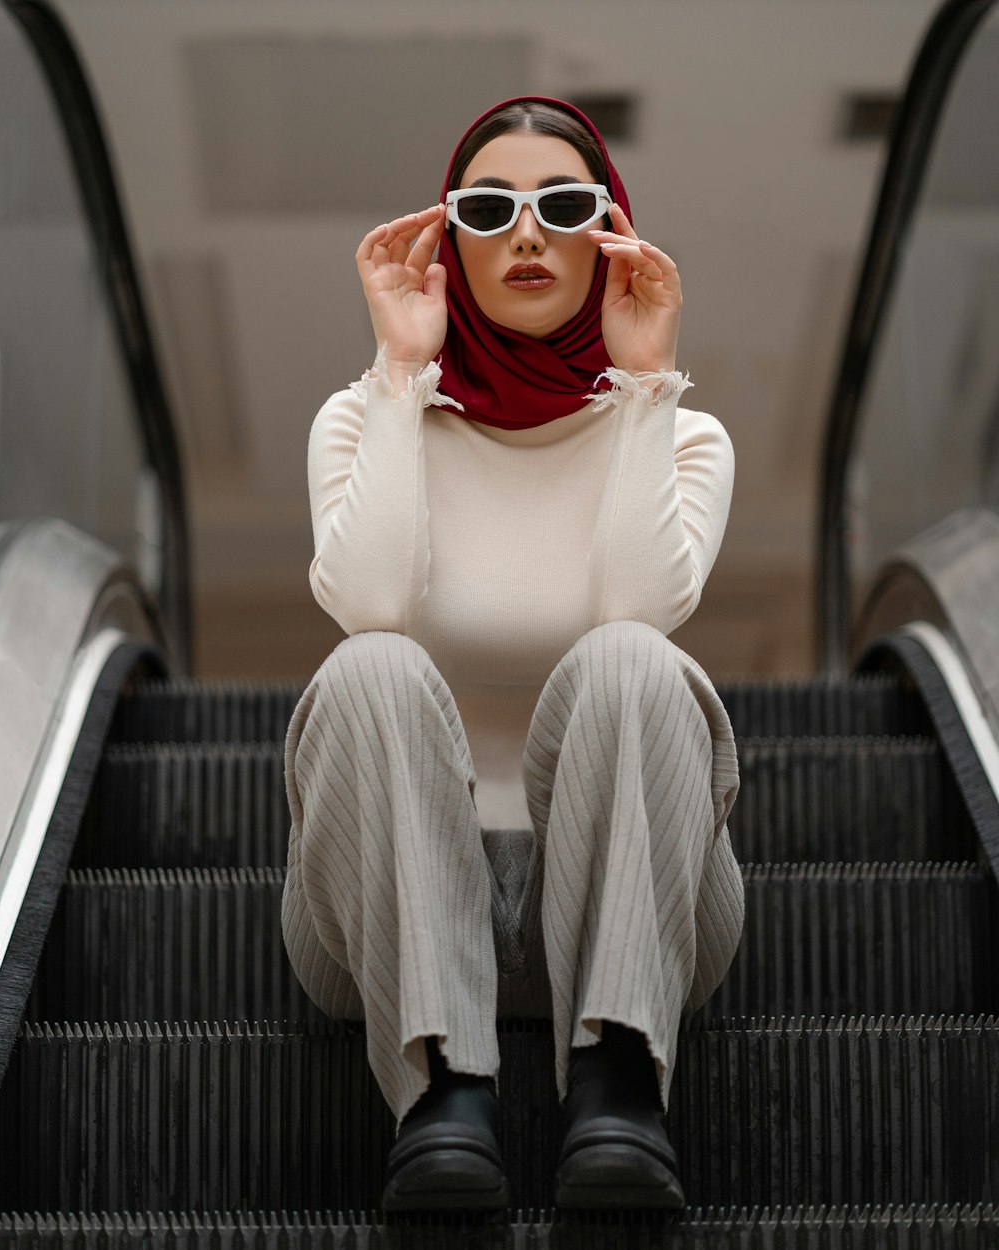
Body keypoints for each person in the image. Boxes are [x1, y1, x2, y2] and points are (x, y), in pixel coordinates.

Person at [281, 96, 744, 1213]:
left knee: (630, 655)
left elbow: (640, 603)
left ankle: (621, 1081)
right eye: (489, 208)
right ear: (450, 242)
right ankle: (440, 1093)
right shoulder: (362, 420)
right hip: (385, 914)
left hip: (638, 900)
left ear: (610, 234)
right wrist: (403, 373)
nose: (527, 232)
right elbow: (370, 601)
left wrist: (640, 382)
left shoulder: (680, 433)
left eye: (564, 204)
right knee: (373, 666)